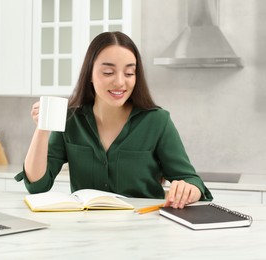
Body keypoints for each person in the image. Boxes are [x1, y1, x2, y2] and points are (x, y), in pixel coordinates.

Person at [15, 31, 213, 208]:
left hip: (143, 232)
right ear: (90, 75)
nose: (120, 82)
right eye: (108, 72)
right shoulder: (71, 120)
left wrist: (188, 190)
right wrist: (43, 127)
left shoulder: (157, 121)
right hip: (84, 233)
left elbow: (192, 181)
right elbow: (37, 185)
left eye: (129, 73)